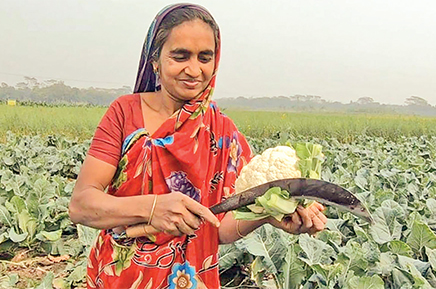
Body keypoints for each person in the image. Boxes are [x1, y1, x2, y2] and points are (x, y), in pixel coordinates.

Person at [69, 3, 327, 288]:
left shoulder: (223, 132)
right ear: (155, 59)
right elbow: (82, 205)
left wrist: (269, 215)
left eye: (205, 58)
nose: (194, 70)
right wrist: (153, 207)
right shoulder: (125, 114)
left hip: (191, 278)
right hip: (121, 276)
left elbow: (220, 228)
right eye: (180, 56)